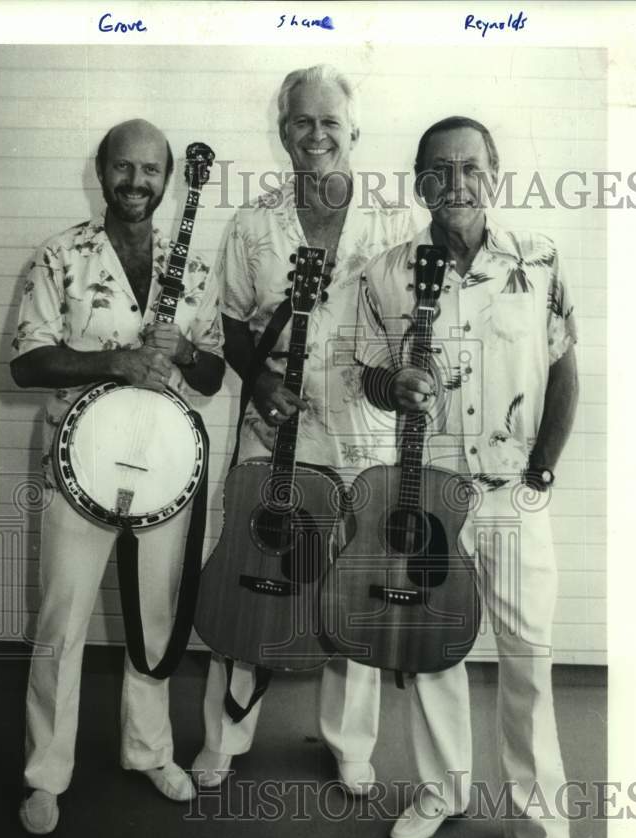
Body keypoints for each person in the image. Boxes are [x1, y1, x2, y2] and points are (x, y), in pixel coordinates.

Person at [357, 116, 586, 838]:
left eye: (471, 167)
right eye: (440, 169)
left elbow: (563, 369)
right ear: (419, 181)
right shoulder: (386, 272)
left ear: (494, 174)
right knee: (433, 649)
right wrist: (394, 385)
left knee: (528, 658)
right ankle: (439, 791)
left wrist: (542, 470)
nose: (456, 182)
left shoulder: (540, 260)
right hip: (427, 495)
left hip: (513, 494)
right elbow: (368, 374)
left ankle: (540, 830)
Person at [191, 65, 415, 792]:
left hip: (361, 433)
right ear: (282, 131)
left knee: (354, 582)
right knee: (249, 570)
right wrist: (258, 383)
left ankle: (350, 742)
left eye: (330, 122)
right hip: (272, 429)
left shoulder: (395, 224)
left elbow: (414, 328)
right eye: (301, 122)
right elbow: (229, 322)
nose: (316, 135)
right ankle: (224, 736)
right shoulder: (252, 224)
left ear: (355, 130)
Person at [10, 119, 224, 834]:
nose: (136, 182)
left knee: (153, 620)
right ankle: (46, 775)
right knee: (61, 624)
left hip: (164, 470)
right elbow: (27, 363)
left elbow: (213, 375)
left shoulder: (195, 269)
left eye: (150, 170)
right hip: (75, 469)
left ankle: (148, 751)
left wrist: (185, 351)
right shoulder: (60, 255)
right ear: (101, 171)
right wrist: (115, 361)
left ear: (168, 179)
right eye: (123, 167)